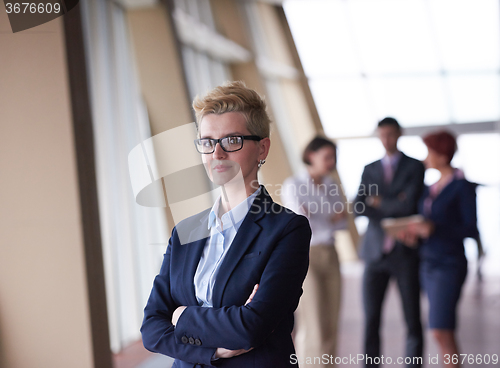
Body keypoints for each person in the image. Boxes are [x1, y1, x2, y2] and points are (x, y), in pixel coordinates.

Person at [140, 81, 312, 368]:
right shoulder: (185, 231)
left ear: (262, 148)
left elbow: (250, 327)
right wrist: (214, 352)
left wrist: (181, 315)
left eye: (232, 140)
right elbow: (151, 328)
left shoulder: (287, 229)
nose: (217, 154)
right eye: (208, 142)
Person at [398, 130, 478, 368]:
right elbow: (425, 224)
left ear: (442, 155)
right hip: (428, 262)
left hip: (449, 264)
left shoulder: (461, 187)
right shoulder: (430, 188)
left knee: (441, 330)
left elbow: (470, 229)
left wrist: (435, 229)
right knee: (440, 330)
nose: (426, 158)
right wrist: (415, 235)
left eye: (429, 152)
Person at [354, 117, 424, 368]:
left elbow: (410, 204)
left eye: (391, 134)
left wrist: (379, 201)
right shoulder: (370, 168)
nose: (387, 140)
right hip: (375, 253)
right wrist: (394, 203)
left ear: (400, 134)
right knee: (371, 319)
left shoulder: (415, 166)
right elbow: (358, 206)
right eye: (382, 135)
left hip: (404, 252)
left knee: (412, 319)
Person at [281, 136, 347, 367]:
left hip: (330, 253)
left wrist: (321, 215)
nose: (331, 162)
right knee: (313, 323)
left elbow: (342, 222)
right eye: (327, 157)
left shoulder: (331, 184)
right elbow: (299, 221)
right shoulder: (293, 185)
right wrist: (329, 215)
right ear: (311, 156)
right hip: (305, 257)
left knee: (331, 322)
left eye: (334, 157)